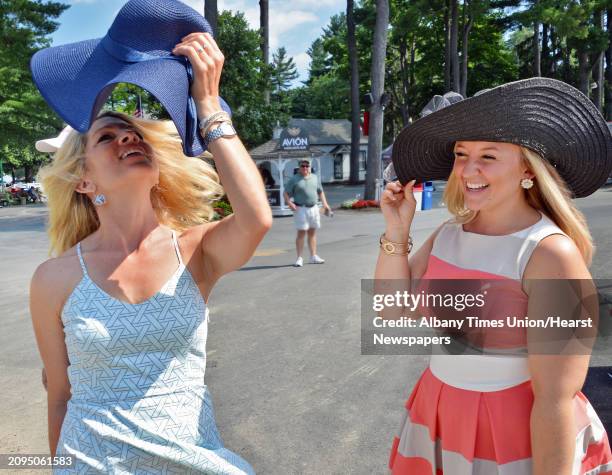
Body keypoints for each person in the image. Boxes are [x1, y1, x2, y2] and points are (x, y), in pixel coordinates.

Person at [29, 2, 270, 473]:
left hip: (191, 461)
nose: (127, 138)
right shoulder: (53, 278)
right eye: (107, 137)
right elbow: (59, 397)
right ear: (84, 181)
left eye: (133, 133)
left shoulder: (194, 250)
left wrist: (208, 106)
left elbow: (256, 219)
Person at [379, 78, 612, 474]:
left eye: (488, 155)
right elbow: (391, 314)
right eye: (461, 153)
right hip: (439, 408)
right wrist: (397, 231)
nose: (469, 169)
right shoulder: (451, 233)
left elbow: (555, 398)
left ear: (527, 167)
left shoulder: (549, 253)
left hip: (512, 430)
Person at [283, 159, 332, 267]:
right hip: (301, 209)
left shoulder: (314, 177)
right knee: (301, 233)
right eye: (302, 166)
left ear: (310, 167)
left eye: (307, 166)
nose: (305, 168)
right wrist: (289, 203)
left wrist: (325, 204)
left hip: (314, 208)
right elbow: (285, 193)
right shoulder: (294, 179)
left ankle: (313, 256)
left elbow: (320, 191)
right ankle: (299, 258)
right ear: (299, 167)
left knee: (312, 233)